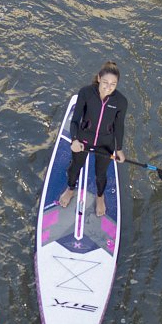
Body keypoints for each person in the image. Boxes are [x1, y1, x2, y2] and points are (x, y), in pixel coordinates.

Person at [59, 61, 128, 217]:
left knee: (101, 173)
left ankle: (100, 197)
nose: (108, 87)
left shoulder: (121, 102)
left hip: (105, 144)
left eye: (113, 84)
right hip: (84, 140)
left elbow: (119, 126)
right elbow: (75, 120)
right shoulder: (86, 93)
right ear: (98, 78)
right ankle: (70, 189)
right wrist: (74, 140)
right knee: (75, 166)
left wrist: (119, 149)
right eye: (105, 82)